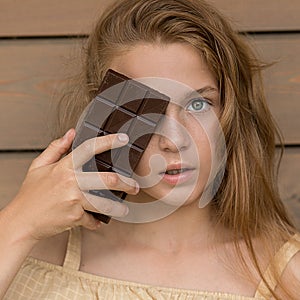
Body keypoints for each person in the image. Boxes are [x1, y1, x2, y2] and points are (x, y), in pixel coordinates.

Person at [1, 0, 299, 299]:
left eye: (198, 104)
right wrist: (19, 222)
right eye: (143, 111)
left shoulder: (287, 275)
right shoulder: (32, 252)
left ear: (230, 112)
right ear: (103, 112)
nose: (173, 140)